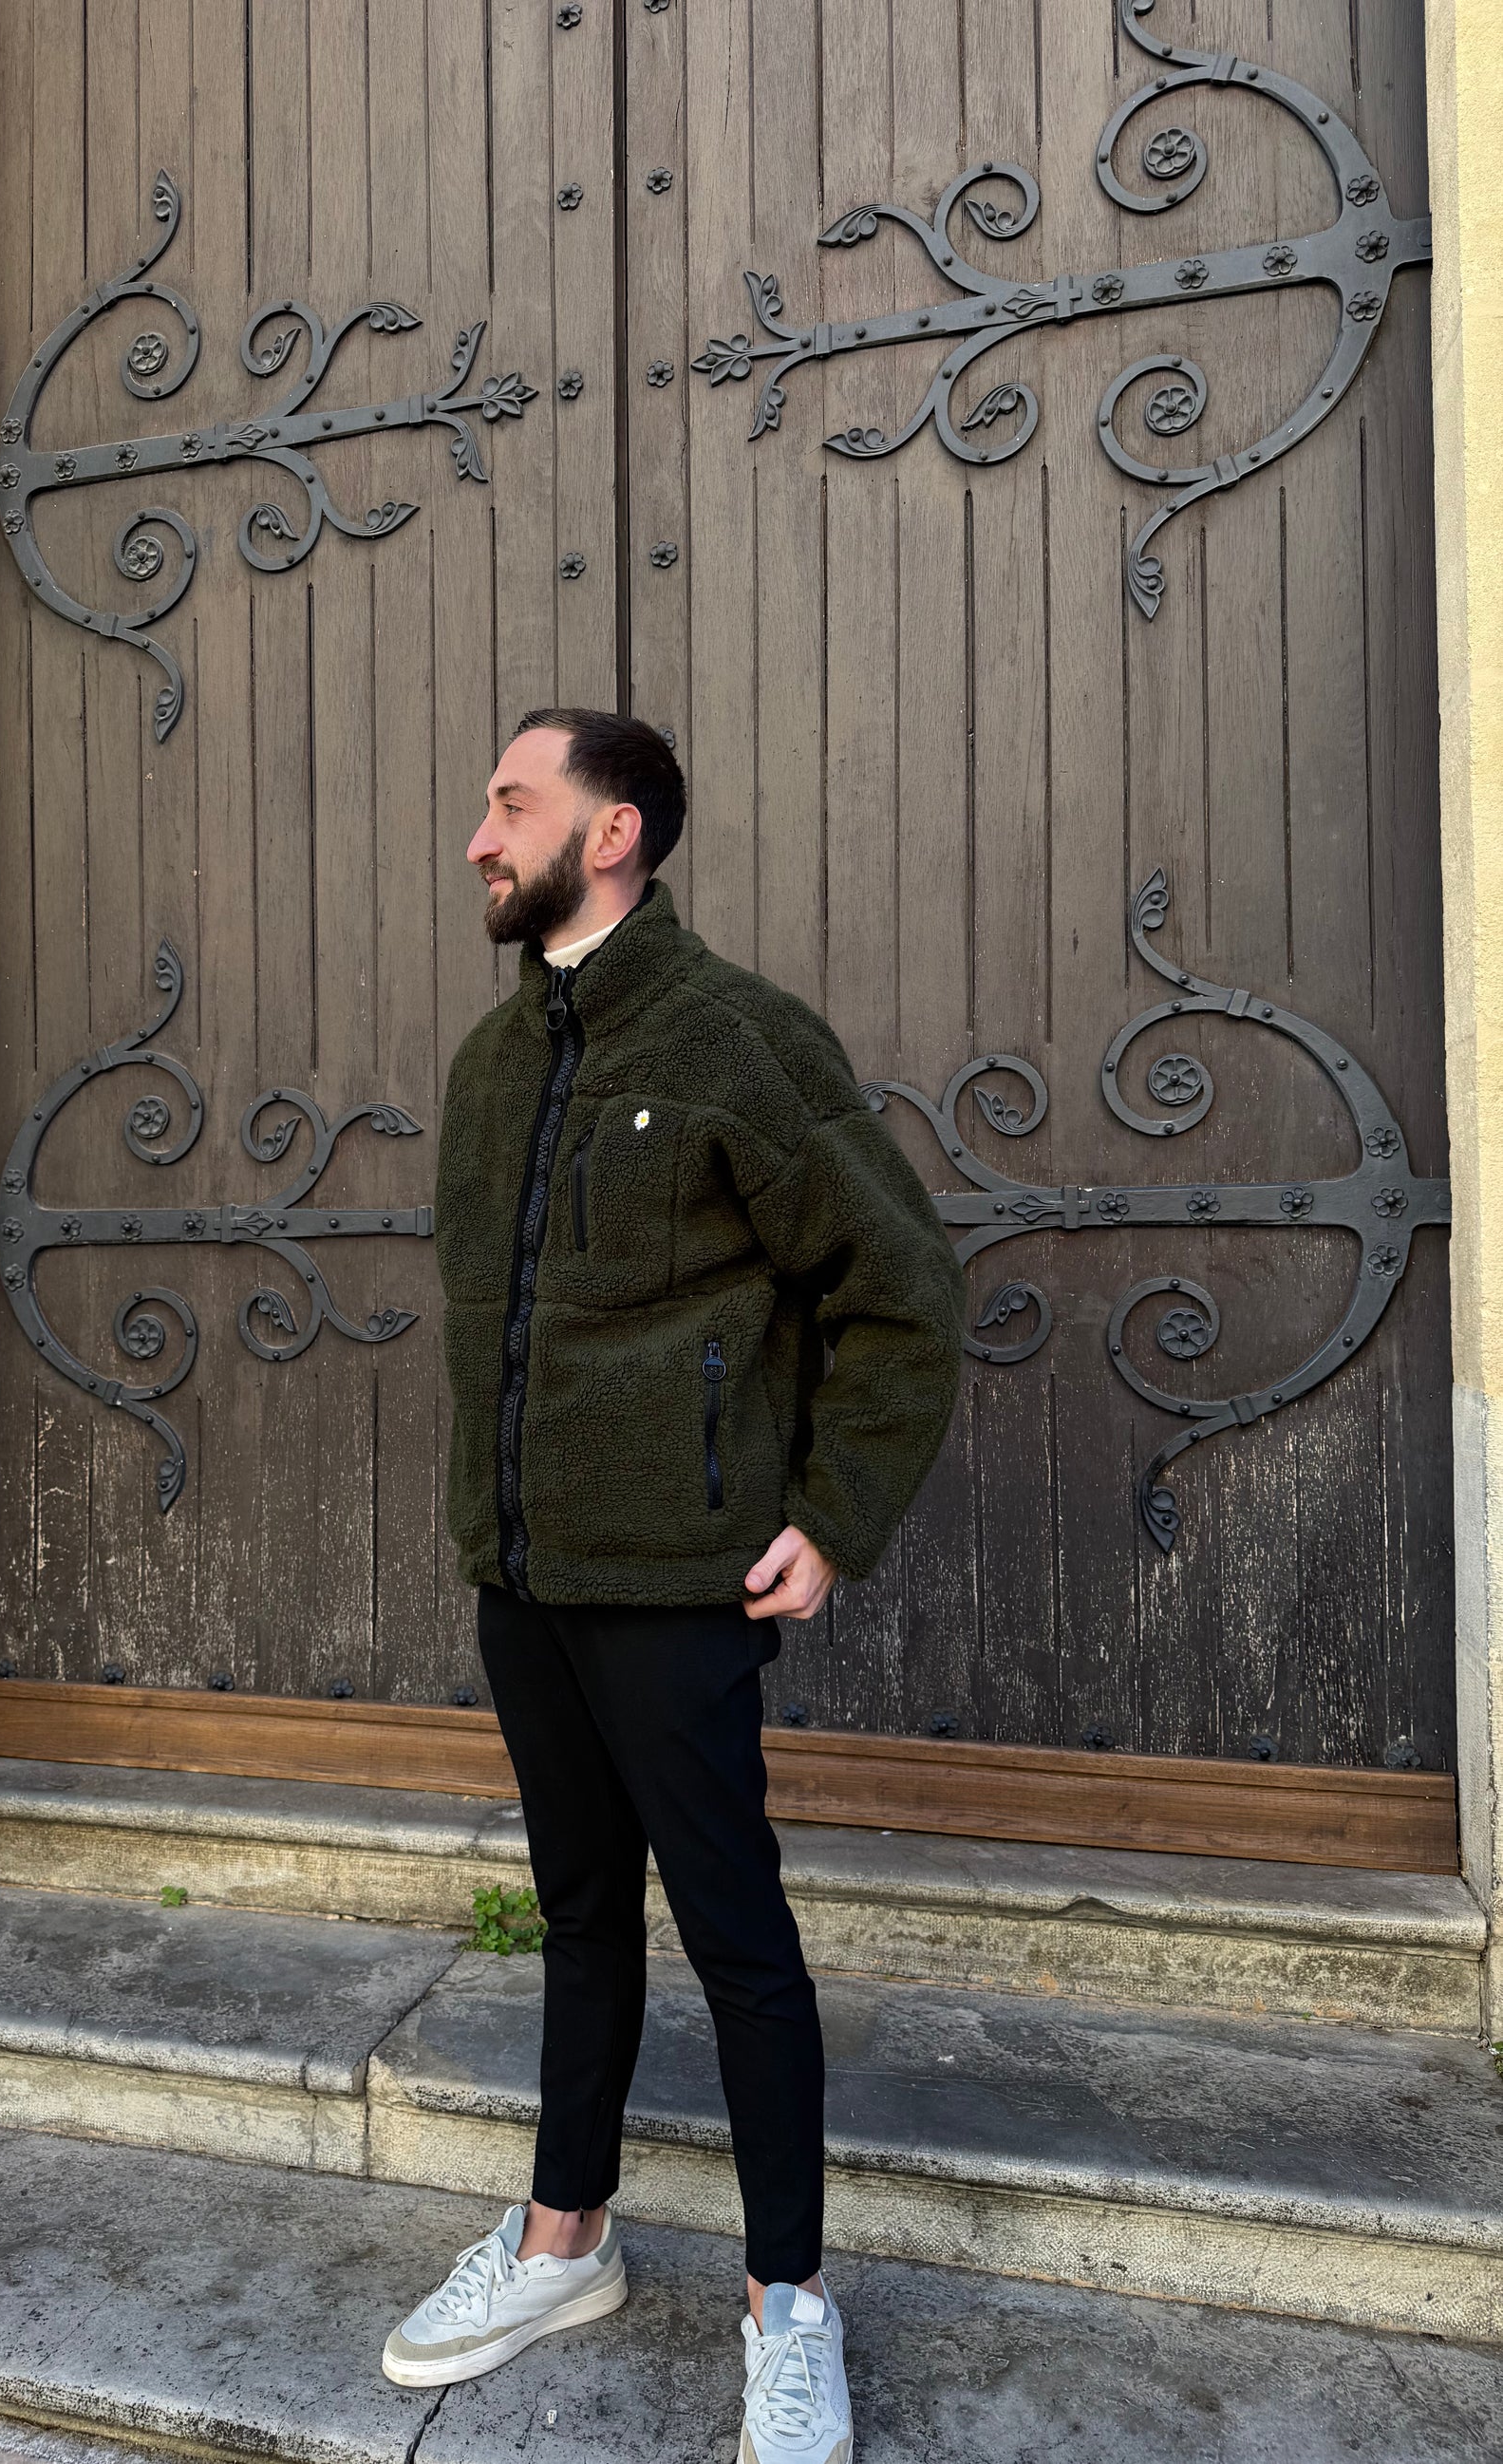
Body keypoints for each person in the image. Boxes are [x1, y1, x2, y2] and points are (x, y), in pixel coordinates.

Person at [382, 709, 964, 2462]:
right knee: (577, 1916)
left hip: (673, 1588)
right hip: (523, 1577)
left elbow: (900, 1288)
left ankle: (788, 2301)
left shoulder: (737, 1039)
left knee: (737, 1942)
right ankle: (562, 2241)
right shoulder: (494, 1063)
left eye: (511, 803)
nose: (480, 838)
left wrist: (833, 1515)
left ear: (614, 828)